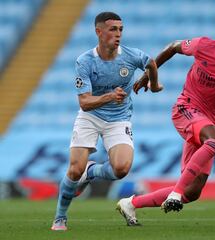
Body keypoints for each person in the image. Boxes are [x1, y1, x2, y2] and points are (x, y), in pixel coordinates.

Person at [116, 13, 215, 226]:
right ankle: (174, 194)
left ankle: (131, 203)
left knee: (192, 192)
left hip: (208, 123)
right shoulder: (202, 45)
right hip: (186, 109)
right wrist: (148, 75)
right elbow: (173, 47)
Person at [51, 12, 163, 231]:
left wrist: (153, 83)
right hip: (90, 117)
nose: (118, 34)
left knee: (121, 168)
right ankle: (60, 217)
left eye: (121, 29)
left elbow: (150, 63)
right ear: (98, 32)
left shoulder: (131, 56)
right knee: (74, 170)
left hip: (119, 119)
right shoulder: (84, 61)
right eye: (113, 29)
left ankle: (91, 171)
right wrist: (110, 96)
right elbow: (84, 102)